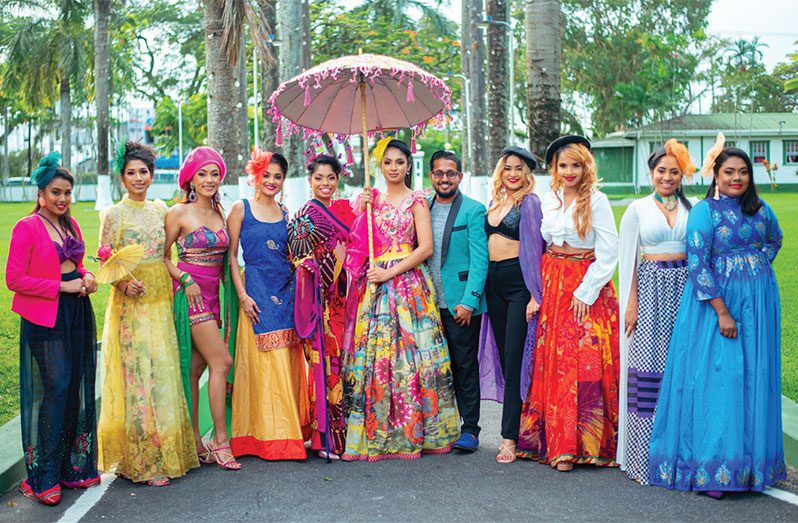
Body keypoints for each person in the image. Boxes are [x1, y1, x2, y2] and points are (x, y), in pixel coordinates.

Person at [647, 136, 786, 498]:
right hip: (715, 308)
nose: (736, 178)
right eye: (729, 172)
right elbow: (698, 262)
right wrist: (724, 308)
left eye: (742, 172)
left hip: (757, 308)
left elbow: (775, 240)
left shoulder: (761, 209)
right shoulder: (704, 212)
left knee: (753, 379)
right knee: (720, 381)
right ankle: (713, 469)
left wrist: (753, 270)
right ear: (716, 176)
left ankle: (750, 468)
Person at [342, 138, 459, 461]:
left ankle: (416, 429)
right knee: (379, 356)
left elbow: (425, 249)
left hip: (408, 284)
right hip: (377, 285)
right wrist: (360, 208)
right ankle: (379, 430)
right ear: (380, 167)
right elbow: (357, 243)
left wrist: (389, 273)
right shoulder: (372, 201)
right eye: (387, 163)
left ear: (409, 166)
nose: (393, 168)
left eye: (399, 162)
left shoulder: (417, 200)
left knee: (414, 356)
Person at [97, 141, 199, 487]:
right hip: (131, 305)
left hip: (160, 299)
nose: (138, 178)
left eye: (143, 172)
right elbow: (106, 261)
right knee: (137, 376)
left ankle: (168, 450)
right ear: (122, 178)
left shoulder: (160, 210)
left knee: (161, 372)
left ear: (152, 175)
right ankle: (142, 460)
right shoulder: (114, 215)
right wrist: (124, 285)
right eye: (131, 173)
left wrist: (183, 278)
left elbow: (168, 255)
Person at [517, 135, 620, 471]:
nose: (570, 171)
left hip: (584, 286)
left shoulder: (597, 201)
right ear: (555, 169)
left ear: (585, 166)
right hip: (552, 285)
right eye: (564, 165)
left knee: (582, 362)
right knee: (553, 362)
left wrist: (585, 292)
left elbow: (609, 253)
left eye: (576, 164)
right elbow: (539, 244)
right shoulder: (550, 199)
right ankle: (556, 444)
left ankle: (581, 445)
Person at [6, 153, 100, 505]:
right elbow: (14, 279)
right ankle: (42, 476)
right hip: (45, 316)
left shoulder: (70, 225)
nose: (62, 199)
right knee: (57, 387)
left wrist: (86, 277)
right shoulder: (26, 227)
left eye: (67, 193)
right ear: (41, 194)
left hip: (77, 311)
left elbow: (75, 263)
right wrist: (61, 287)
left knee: (74, 386)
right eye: (55, 192)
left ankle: (68, 468)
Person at [616, 139, 697, 484]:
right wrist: (630, 301)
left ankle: (680, 452)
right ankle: (642, 456)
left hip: (686, 291)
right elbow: (629, 257)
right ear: (651, 173)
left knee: (684, 369)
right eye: (661, 170)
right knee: (648, 371)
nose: (667, 177)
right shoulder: (638, 208)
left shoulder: (693, 209)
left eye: (674, 171)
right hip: (649, 293)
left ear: (682, 175)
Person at [228, 148, 310, 461]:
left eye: (278, 176)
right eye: (267, 175)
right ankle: (260, 438)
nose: (272, 181)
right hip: (255, 295)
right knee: (262, 367)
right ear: (255, 176)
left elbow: (291, 256)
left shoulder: (286, 213)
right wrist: (242, 296)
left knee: (286, 366)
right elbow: (232, 258)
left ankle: (290, 434)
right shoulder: (240, 208)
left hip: (286, 295)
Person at [163, 146, 240, 470]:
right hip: (191, 298)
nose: (209, 180)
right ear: (191, 179)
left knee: (197, 370)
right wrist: (183, 278)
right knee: (222, 362)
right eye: (202, 174)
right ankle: (220, 441)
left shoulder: (221, 214)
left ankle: (195, 441)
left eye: (214, 173)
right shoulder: (179, 213)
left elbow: (228, 262)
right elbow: (162, 256)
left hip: (214, 299)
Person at [478, 147, 544, 463]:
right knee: (505, 359)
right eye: (507, 168)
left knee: (516, 356)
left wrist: (535, 294)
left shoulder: (529, 203)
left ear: (527, 173)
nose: (513, 174)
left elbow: (535, 248)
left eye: (518, 168)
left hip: (518, 282)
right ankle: (519, 424)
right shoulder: (496, 202)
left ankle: (509, 438)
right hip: (493, 283)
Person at [288, 154, 355, 460]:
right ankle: (324, 439)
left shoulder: (338, 211)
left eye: (330, 178)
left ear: (338, 180)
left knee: (342, 366)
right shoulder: (305, 216)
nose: (325, 184)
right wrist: (334, 259)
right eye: (319, 178)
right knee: (326, 368)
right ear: (310, 180)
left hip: (343, 303)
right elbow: (301, 265)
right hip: (321, 307)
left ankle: (344, 434)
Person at [426, 150, 489, 453]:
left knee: (464, 365)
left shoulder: (473, 211)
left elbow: (480, 260)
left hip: (461, 305)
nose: (445, 178)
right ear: (431, 177)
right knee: (437, 367)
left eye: (450, 173)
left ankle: (471, 428)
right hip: (426, 305)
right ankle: (443, 425)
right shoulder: (422, 209)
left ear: (460, 177)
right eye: (439, 173)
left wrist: (470, 301)